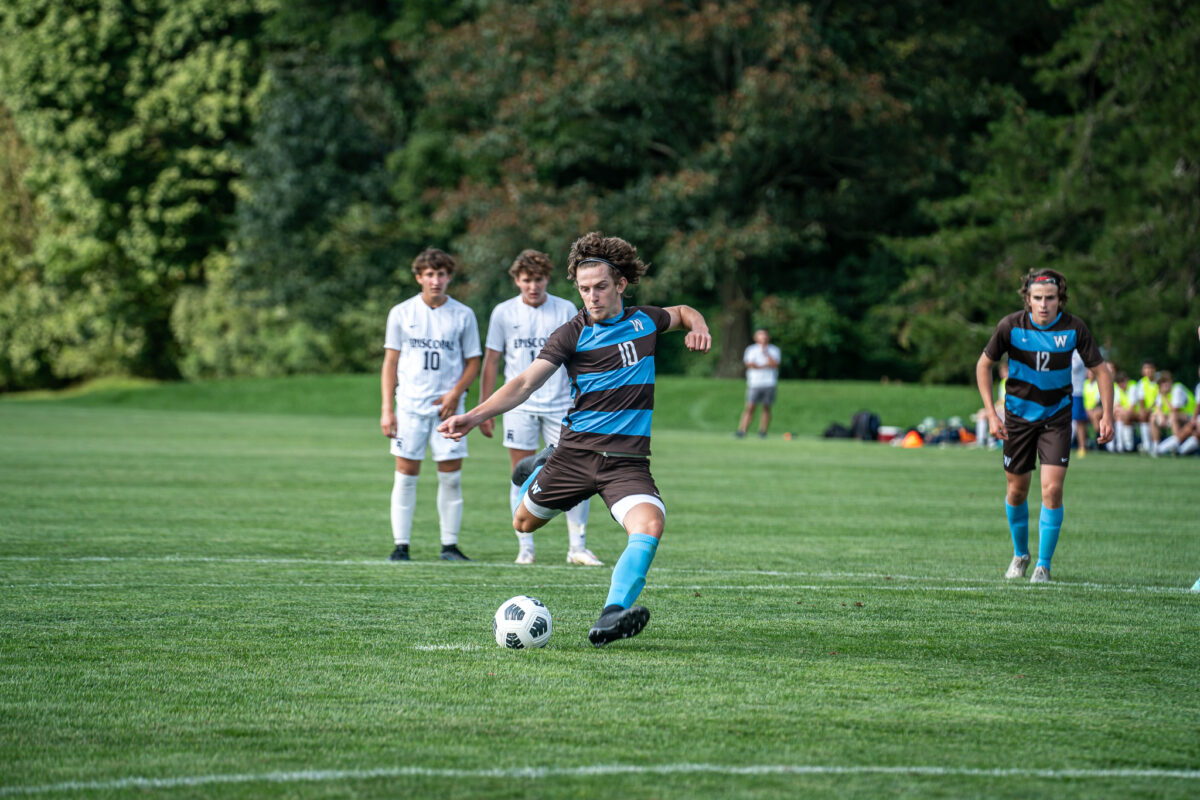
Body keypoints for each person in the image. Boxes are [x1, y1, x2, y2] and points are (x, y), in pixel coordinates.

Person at [438, 231, 711, 645]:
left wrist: (699, 326)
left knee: (650, 524)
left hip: (626, 462)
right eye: (584, 290)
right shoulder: (571, 333)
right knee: (523, 523)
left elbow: (685, 311)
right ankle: (543, 463)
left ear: (620, 284)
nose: (592, 297)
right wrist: (473, 417)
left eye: (600, 287)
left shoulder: (646, 320)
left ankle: (610, 616)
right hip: (575, 455)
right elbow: (525, 383)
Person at [975, 268, 1113, 583]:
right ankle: (1020, 555)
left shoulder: (1074, 328)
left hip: (1057, 417)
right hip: (1019, 420)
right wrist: (992, 414)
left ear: (1059, 299)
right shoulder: (1010, 327)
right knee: (1017, 489)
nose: (1043, 304)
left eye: (1050, 298)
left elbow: (1102, 372)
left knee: (1052, 489)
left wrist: (1108, 414)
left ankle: (1043, 565)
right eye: (1037, 298)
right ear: (1028, 299)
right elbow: (984, 365)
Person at [478, 249, 601, 566]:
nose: (533, 286)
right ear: (517, 280)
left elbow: (583, 355)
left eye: (540, 279)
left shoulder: (565, 308)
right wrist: (485, 407)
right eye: (527, 280)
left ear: (548, 279)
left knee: (576, 474)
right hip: (518, 406)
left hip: (562, 404)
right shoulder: (503, 313)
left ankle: (577, 548)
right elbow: (492, 359)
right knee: (520, 473)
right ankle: (526, 549)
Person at [380, 247, 481, 562]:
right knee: (406, 474)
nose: (435, 280)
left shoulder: (463, 314)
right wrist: (387, 408)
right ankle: (401, 546)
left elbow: (473, 361)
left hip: (449, 410)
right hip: (409, 406)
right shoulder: (401, 312)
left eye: (441, 274)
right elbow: (390, 362)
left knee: (450, 475)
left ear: (449, 277)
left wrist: (454, 394)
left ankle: (449, 546)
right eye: (429, 274)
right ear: (418, 277)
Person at [735, 329, 781, 439]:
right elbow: (750, 364)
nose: (763, 338)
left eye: (765, 336)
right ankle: (742, 430)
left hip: (769, 382)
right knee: (750, 407)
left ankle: (763, 431)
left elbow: (775, 364)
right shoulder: (751, 350)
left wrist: (766, 353)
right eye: (761, 336)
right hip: (755, 383)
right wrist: (765, 366)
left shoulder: (774, 350)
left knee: (766, 407)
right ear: (756, 338)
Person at [974, 359, 1008, 448]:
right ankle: (982, 440)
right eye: (1001, 371)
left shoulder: (1011, 382)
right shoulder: (1003, 383)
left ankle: (986, 440)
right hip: (1002, 409)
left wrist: (992, 409)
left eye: (1004, 371)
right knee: (982, 413)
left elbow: (1004, 401)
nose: (1002, 373)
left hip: (1008, 411)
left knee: (985, 415)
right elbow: (1001, 400)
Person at [1070, 350, 1089, 456]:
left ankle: (1082, 447)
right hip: (1066, 391)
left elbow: (1074, 367)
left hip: (1077, 391)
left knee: (1079, 420)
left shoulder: (1079, 352)